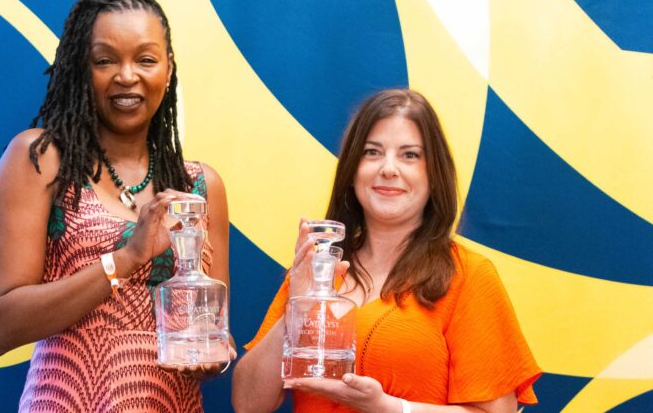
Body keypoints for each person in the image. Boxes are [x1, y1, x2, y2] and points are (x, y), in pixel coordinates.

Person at [0, 0, 231, 412]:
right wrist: (126, 259)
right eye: (105, 60)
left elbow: (213, 336)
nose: (127, 75)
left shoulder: (201, 188)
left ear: (168, 70)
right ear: (82, 68)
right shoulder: (40, 159)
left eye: (146, 59)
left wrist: (211, 356)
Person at [232, 89, 541, 413]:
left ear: (434, 175)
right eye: (372, 152)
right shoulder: (318, 267)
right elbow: (247, 405)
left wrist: (389, 407)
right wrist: (298, 307)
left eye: (410, 155)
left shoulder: (468, 275)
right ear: (352, 171)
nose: (389, 169)